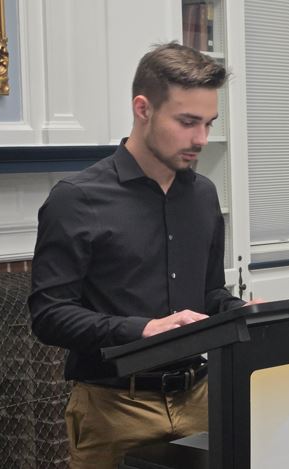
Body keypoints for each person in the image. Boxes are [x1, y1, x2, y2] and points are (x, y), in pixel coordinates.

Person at [28, 41, 253, 469]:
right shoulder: (75, 199)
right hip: (114, 410)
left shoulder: (203, 195)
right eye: (188, 122)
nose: (201, 139)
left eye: (208, 123)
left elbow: (208, 294)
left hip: (202, 399)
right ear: (143, 109)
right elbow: (49, 314)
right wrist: (143, 329)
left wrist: (241, 310)